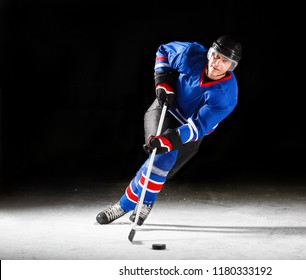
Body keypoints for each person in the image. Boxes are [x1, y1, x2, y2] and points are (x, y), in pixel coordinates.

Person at [96, 35, 242, 225]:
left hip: (190, 130)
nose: (217, 63)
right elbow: (163, 51)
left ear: (231, 67)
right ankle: (129, 205)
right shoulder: (191, 54)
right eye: (215, 55)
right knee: (161, 156)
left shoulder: (227, 95)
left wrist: (170, 140)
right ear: (210, 53)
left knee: (159, 162)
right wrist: (163, 81)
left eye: (224, 61)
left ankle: (132, 203)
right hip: (165, 110)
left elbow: (197, 127)